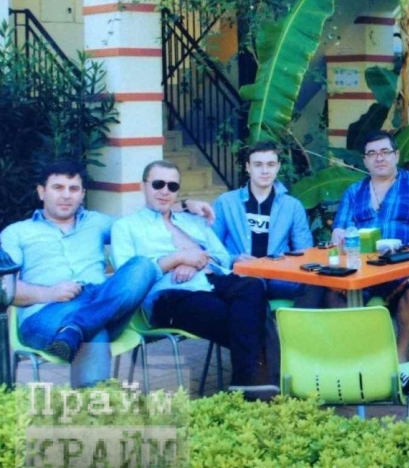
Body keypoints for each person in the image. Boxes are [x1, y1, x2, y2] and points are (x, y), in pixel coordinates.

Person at [111, 160, 273, 395]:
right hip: (171, 294)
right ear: (142, 186)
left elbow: (222, 256)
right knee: (249, 318)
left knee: (253, 286)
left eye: (172, 186)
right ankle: (258, 382)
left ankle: (246, 386)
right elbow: (128, 278)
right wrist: (178, 258)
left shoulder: (191, 220)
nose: (165, 191)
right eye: (158, 184)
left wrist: (197, 261)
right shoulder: (126, 227)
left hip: (214, 280)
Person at [0, 160, 157, 387]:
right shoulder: (17, 233)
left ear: (82, 194)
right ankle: (93, 403)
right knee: (93, 334)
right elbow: (6, 288)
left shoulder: (97, 222)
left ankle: (77, 327)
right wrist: (49, 293)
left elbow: (141, 227)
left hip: (98, 301)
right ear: (41, 192)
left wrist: (183, 207)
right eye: (58, 187)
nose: (66, 195)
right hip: (47, 313)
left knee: (143, 266)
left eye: (73, 189)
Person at [331, 131, 409, 362]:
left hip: (404, 264)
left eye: (384, 152)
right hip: (361, 267)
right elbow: (338, 230)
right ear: (365, 160)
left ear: (396, 155)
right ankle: (361, 354)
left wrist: (405, 252)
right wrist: (340, 237)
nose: (379, 158)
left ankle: (399, 354)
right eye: (372, 154)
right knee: (333, 292)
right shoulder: (353, 192)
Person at [212, 139, 324, 307]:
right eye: (258, 165)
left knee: (316, 285)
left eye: (270, 164)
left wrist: (284, 265)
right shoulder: (226, 202)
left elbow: (304, 252)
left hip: (277, 276)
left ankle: (295, 324)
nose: (265, 171)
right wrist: (234, 259)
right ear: (248, 167)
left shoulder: (292, 206)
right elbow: (211, 248)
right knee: (251, 288)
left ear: (278, 167)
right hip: (241, 276)